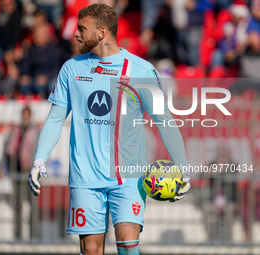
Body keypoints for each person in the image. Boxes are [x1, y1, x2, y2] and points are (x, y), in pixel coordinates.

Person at [28, 4, 190, 255]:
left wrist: (182, 166)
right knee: (91, 250)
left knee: (127, 244)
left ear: (102, 32)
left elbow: (164, 119)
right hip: (85, 178)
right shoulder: (71, 69)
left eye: (82, 28)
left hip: (128, 177)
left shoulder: (141, 70)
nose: (76, 34)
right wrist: (39, 158)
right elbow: (55, 118)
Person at [3, 105, 38, 238]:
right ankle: (17, 235)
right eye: (24, 115)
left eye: (27, 115)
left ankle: (34, 235)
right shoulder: (15, 131)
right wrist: (3, 167)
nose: (25, 118)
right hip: (16, 171)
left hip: (30, 173)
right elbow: (6, 150)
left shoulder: (34, 132)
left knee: (32, 205)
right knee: (17, 205)